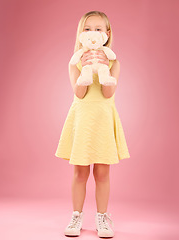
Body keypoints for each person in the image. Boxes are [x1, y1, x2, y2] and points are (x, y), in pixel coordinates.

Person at [55, 10, 130, 238]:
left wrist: (105, 67)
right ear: (81, 34)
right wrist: (83, 69)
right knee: (79, 172)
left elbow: (108, 93)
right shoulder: (74, 63)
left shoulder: (114, 62)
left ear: (107, 34)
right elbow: (79, 92)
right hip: (83, 119)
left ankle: (102, 216)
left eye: (98, 29)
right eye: (87, 29)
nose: (92, 33)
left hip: (104, 120)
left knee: (102, 172)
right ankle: (76, 215)